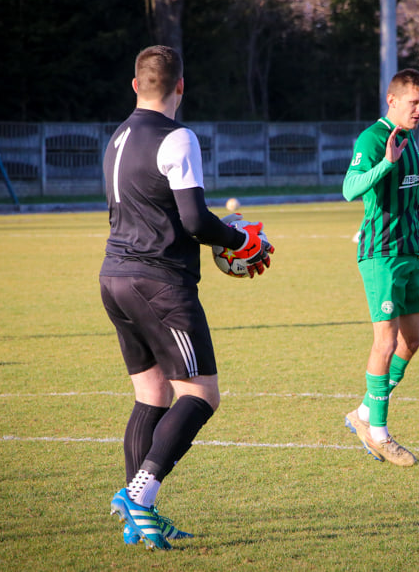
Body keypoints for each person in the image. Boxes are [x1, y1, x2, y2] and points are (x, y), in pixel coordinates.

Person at [100, 45, 273, 550]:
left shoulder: (117, 137)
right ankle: (139, 498)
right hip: (159, 283)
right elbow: (195, 221)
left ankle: (138, 517)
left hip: (114, 277)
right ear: (181, 86)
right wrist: (243, 241)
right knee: (200, 395)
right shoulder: (178, 136)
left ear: (135, 86)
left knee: (151, 394)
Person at [342, 69, 419, 467]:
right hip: (380, 253)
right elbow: (350, 189)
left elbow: (410, 172)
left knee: (411, 341)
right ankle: (380, 434)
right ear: (392, 101)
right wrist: (385, 162)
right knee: (385, 343)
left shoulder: (409, 139)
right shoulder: (373, 139)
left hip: (409, 251)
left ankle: (365, 415)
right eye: (413, 103)